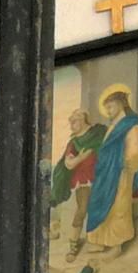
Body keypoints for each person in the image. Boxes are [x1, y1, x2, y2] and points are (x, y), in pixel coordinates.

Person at [80, 83, 138, 256]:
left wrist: (127, 166)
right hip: (106, 172)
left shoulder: (131, 124)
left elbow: (135, 150)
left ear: (121, 104)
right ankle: (100, 240)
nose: (108, 111)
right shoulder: (114, 125)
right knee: (100, 202)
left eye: (110, 107)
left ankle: (116, 244)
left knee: (118, 207)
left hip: (121, 172)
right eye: (106, 108)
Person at [52, 105, 106, 258]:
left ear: (82, 120)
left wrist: (83, 156)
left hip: (101, 176)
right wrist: (81, 157)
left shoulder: (98, 133)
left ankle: (99, 241)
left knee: (102, 206)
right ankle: (73, 244)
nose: (71, 125)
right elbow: (69, 164)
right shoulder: (74, 142)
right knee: (82, 209)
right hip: (84, 180)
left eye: (74, 121)